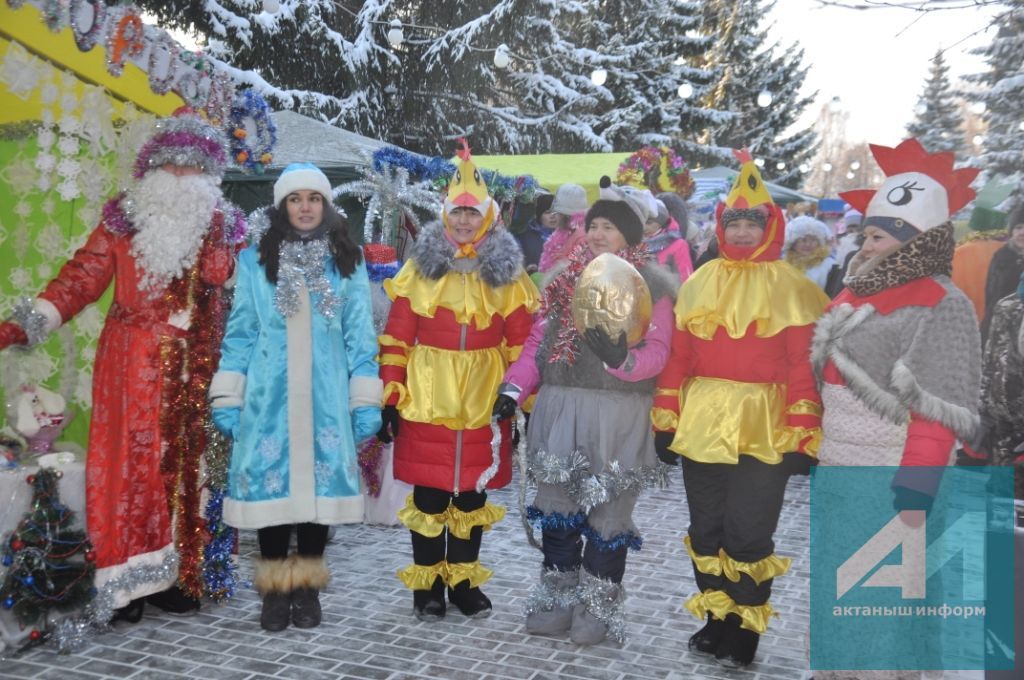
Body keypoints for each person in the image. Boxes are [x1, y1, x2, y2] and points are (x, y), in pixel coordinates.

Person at [0, 109, 246, 621]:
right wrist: (26, 323)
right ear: (151, 168)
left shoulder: (223, 226)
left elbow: (245, 296)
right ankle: (124, 583)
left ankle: (177, 573)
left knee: (187, 469)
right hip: (130, 359)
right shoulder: (122, 219)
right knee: (128, 470)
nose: (180, 177)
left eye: (192, 167)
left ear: (209, 174)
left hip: (197, 363)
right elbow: (80, 279)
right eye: (171, 165)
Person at [810, 139, 982, 678]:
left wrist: (915, 492)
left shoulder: (944, 304)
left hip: (891, 480)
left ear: (916, 241)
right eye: (867, 233)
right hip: (843, 471)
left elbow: (940, 410)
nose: (867, 242)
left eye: (879, 235)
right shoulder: (858, 288)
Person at [652, 150, 829, 668]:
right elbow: (680, 357)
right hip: (703, 422)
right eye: (736, 222)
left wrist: (803, 434)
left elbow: (802, 365)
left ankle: (746, 627)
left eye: (755, 222)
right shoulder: (700, 280)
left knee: (748, 533)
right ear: (722, 226)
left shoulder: (793, 287)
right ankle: (716, 618)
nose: (745, 231)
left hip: (764, 426)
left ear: (771, 226)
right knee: (706, 528)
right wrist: (665, 419)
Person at [497, 176, 676, 645]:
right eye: (593, 224)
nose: (597, 234)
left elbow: (659, 350)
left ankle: (597, 604)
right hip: (561, 407)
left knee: (607, 512)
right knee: (558, 506)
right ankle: (558, 594)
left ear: (631, 237)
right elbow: (538, 343)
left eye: (609, 228)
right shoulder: (562, 281)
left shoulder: (652, 285)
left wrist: (625, 361)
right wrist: (514, 388)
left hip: (617, 412)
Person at [209, 163, 381, 631]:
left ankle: (306, 588)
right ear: (282, 206)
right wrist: (229, 392)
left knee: (316, 499)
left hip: (325, 397)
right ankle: (274, 592)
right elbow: (241, 331)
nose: (305, 207)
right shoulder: (254, 261)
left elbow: (360, 335)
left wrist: (364, 398)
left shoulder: (347, 259)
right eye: (295, 199)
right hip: (270, 397)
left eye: (313, 198)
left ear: (325, 205)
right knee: (271, 496)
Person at [376, 141, 538, 621]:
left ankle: (463, 582)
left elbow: (521, 344)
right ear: (445, 215)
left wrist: (518, 397)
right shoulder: (418, 269)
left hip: (485, 398)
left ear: (487, 216)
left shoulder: (508, 274)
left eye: (473, 214)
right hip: (427, 395)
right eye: (458, 213)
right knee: (429, 495)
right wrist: (390, 392)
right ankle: (427, 587)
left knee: (470, 495)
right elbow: (397, 337)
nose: (465, 222)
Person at [960, 272, 1024, 499]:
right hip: (1004, 423)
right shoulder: (1008, 306)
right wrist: (982, 412)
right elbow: (991, 359)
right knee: (1003, 501)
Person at [981, 204, 1024, 344]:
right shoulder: (1001, 257)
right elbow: (991, 294)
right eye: (1018, 227)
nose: (1022, 232)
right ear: (1012, 231)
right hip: (1000, 326)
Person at [537, 183, 589, 273]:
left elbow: (576, 273)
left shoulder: (582, 237)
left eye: (557, 213)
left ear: (565, 215)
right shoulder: (563, 231)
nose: (554, 216)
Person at [783, 215, 840, 296]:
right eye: (803, 240)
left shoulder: (830, 265)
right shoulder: (784, 265)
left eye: (813, 240)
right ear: (793, 243)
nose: (808, 244)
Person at [643, 196, 694, 285]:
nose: (644, 227)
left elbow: (686, 278)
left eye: (649, 223)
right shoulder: (635, 244)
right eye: (642, 222)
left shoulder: (678, 244)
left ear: (660, 223)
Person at [515, 191, 554, 274]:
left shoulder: (564, 235)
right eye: (547, 212)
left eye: (555, 212)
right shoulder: (524, 235)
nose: (553, 216)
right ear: (538, 214)